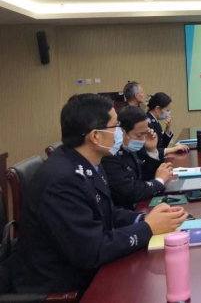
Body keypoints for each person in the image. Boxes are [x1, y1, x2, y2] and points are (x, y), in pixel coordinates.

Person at [8, 94, 187, 294]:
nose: (120, 132)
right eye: (115, 126)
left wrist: (144, 218)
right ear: (95, 136)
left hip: (84, 268)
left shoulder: (87, 161)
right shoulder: (62, 180)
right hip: (62, 287)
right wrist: (148, 228)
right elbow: (91, 251)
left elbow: (106, 211)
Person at [102, 106, 174, 210]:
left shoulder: (129, 147)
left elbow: (145, 177)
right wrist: (159, 181)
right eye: (139, 135)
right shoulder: (109, 155)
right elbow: (131, 191)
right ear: (121, 132)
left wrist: (151, 149)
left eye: (145, 134)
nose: (143, 139)